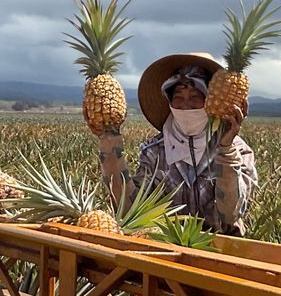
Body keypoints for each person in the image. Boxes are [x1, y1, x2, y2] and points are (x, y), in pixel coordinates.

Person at [90, 52, 258, 237]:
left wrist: (226, 149)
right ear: (169, 100)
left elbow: (230, 216)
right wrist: (108, 140)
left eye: (195, 96)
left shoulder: (239, 151)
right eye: (178, 96)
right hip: (169, 252)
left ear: (210, 100)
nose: (186, 105)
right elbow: (129, 209)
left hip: (225, 253)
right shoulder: (155, 152)